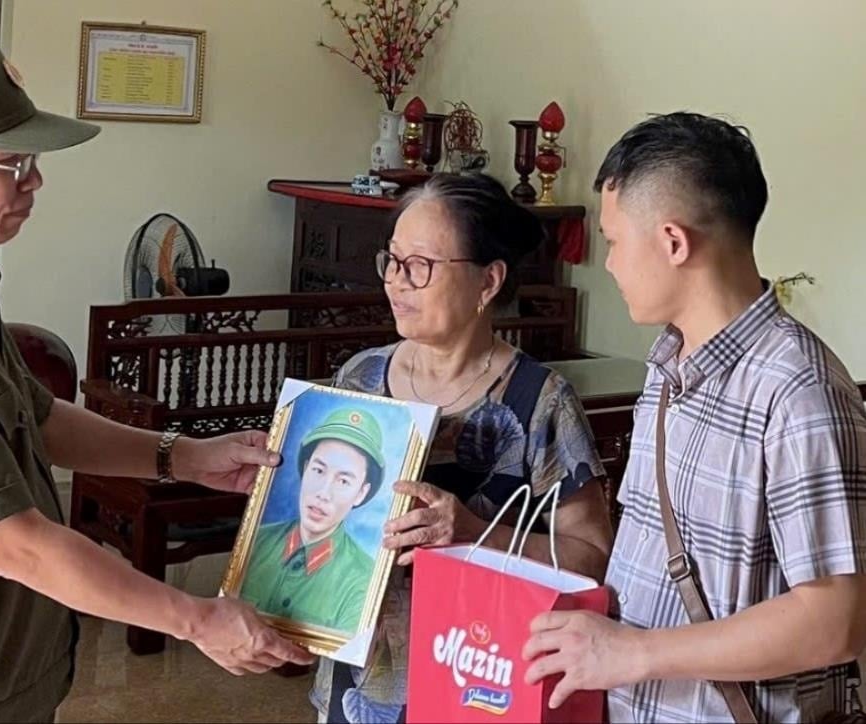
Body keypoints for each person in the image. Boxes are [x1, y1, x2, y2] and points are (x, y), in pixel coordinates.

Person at [0, 44, 311, 724]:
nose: (35, 182)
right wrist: (196, 620)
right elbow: (14, 543)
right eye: (13, 164)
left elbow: (38, 419)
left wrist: (190, 457)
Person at [522, 112, 866, 722]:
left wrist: (635, 653)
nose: (608, 263)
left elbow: (835, 621)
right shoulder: (668, 364)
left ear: (673, 242)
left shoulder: (799, 392)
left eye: (614, 240)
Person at [311, 172, 614, 723]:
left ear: (488, 281)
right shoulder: (358, 378)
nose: (396, 282)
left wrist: (476, 535)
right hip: (366, 683)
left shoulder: (540, 402)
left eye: (420, 266)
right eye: (392, 261)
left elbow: (591, 560)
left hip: (482, 679)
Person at [240, 407, 384, 633]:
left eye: (343, 481)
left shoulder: (364, 579)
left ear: (361, 493)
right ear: (305, 469)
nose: (323, 493)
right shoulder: (255, 541)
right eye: (318, 470)